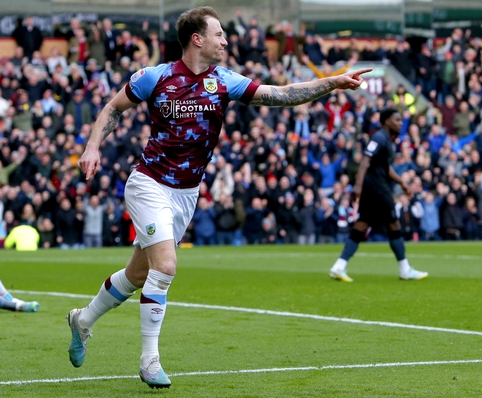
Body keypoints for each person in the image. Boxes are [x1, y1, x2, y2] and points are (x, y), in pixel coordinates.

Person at [66, 6, 370, 389]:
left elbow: (280, 94)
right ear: (197, 39)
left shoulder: (224, 80)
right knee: (167, 265)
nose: (225, 40)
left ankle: (82, 321)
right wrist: (93, 147)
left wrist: (332, 82)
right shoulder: (155, 78)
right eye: (219, 34)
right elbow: (113, 107)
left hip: (186, 194)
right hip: (149, 182)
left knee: (138, 274)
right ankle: (149, 361)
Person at [329, 109, 428, 282]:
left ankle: (339, 266)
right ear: (386, 121)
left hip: (373, 187)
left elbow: (384, 166)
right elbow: (365, 161)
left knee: (361, 225)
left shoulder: (386, 139)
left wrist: (402, 182)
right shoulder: (379, 138)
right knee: (393, 223)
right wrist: (358, 185)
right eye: (397, 119)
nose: (400, 122)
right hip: (377, 188)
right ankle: (405, 269)